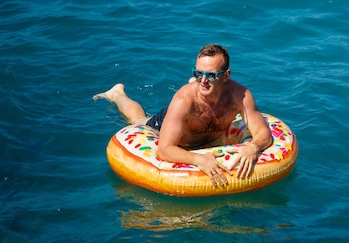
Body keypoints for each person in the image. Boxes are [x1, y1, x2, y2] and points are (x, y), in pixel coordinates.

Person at [93, 44, 271, 187]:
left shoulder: (240, 96)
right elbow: (164, 150)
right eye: (199, 74)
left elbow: (263, 134)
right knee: (138, 120)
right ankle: (117, 94)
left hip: (206, 130)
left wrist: (253, 147)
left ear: (226, 76)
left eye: (210, 75)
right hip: (168, 127)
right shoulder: (182, 100)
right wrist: (198, 159)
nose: (203, 80)